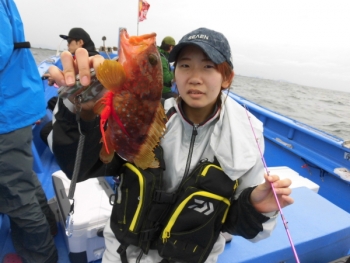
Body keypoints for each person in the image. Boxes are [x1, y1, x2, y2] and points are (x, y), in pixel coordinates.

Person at [48, 27, 293, 263]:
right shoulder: (150, 115)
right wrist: (80, 111)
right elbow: (78, 168)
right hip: (120, 256)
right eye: (185, 65)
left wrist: (255, 207)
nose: (195, 77)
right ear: (174, 73)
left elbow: (232, 222)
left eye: (208, 66)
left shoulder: (245, 137)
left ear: (227, 77)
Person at [0, 1, 58, 263]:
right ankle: (49, 229)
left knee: (15, 194)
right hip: (15, 104)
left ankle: (40, 257)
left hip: (6, 112)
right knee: (22, 181)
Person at [40, 27, 100, 147]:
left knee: (44, 131)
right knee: (52, 102)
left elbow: (76, 88)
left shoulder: (87, 62)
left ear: (80, 42)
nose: (67, 45)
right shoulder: (91, 59)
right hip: (86, 117)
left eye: (69, 41)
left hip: (80, 121)